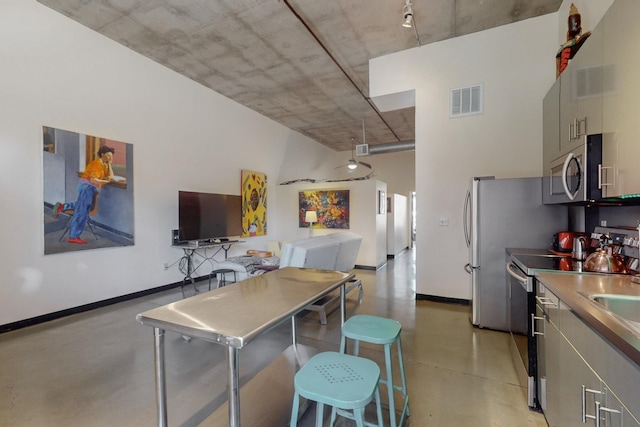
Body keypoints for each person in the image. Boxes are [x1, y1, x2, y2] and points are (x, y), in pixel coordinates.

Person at [53, 146, 115, 244]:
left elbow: (111, 176)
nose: (110, 158)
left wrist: (110, 164)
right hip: (87, 187)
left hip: (89, 187)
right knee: (82, 212)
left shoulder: (105, 164)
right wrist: (105, 181)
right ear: (102, 154)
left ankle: (63, 206)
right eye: (108, 155)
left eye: (112, 156)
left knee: (82, 205)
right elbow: (93, 180)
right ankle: (73, 236)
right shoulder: (97, 164)